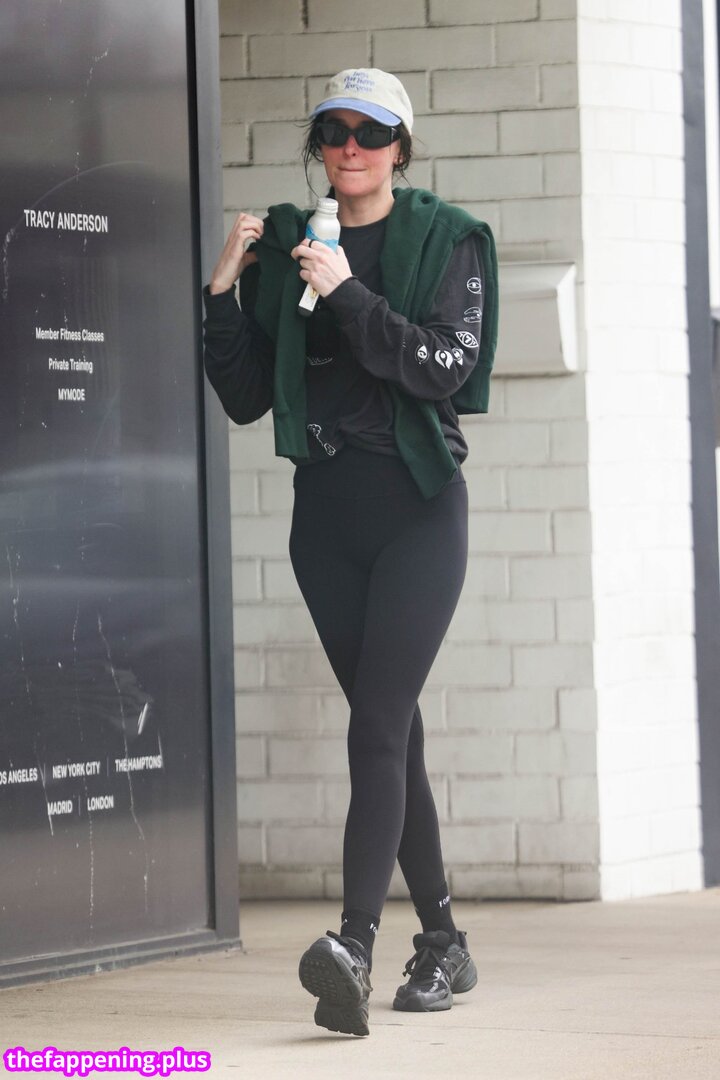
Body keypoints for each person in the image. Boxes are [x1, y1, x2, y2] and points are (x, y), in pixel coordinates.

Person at [203, 68, 498, 1037]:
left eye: (371, 132)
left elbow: (441, 366)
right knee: (392, 734)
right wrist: (222, 292)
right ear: (319, 145)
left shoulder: (447, 241)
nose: (351, 146)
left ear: (400, 147)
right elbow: (248, 397)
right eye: (333, 130)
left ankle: (355, 946)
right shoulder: (290, 245)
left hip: (418, 511)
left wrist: (347, 291)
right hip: (324, 520)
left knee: (375, 729)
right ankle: (443, 940)